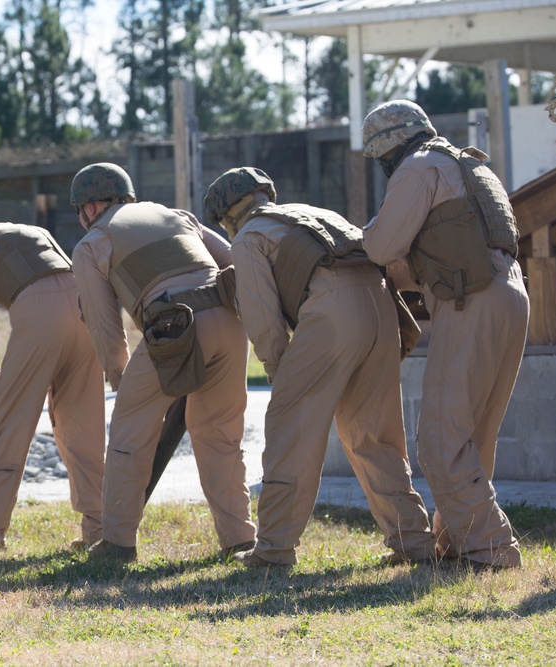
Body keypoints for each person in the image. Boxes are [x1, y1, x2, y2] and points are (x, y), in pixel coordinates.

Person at [203, 167, 436, 568]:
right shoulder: (315, 213)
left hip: (331, 312)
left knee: (290, 428)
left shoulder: (249, 237)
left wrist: (280, 370)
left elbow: (261, 316)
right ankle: (414, 541)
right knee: (374, 435)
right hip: (381, 310)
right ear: (265, 195)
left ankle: (273, 549)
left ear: (226, 217)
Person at [360, 99, 528, 571]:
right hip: (510, 294)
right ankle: (456, 541)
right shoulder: (469, 163)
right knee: (474, 436)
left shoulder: (417, 168)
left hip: (468, 301)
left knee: (439, 439)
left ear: (388, 147)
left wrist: (362, 236)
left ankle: (491, 550)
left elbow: (382, 245)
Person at [69, 162, 256, 562]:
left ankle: (117, 543)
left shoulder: (93, 243)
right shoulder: (176, 215)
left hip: (174, 325)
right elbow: (235, 261)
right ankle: (239, 538)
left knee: (129, 434)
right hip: (228, 318)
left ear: (88, 208)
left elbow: (104, 325)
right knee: (220, 434)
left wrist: (120, 376)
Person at [0, 223, 106, 551]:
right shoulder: (17, 233)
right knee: (83, 429)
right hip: (86, 306)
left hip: (42, 314)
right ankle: (100, 531)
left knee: (6, 425)